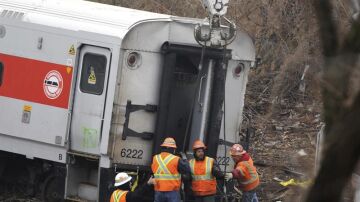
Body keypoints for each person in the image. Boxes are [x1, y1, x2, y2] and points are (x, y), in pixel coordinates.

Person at [151, 137, 190, 202]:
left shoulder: (155, 158)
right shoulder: (176, 159)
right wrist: (185, 158)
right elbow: (187, 169)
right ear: (172, 149)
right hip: (172, 192)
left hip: (158, 191)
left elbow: (153, 170)